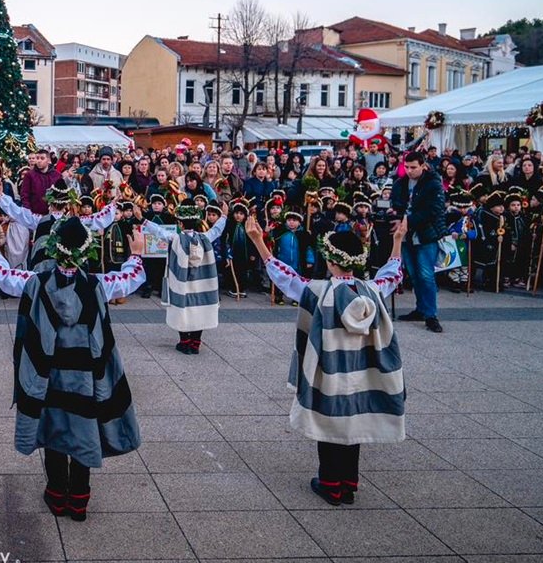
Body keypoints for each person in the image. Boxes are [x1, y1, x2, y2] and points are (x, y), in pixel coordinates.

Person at [0, 216, 147, 522]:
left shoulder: (36, 282)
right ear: (85, 253)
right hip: (84, 376)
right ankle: (80, 499)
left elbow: (4, 276)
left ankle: (57, 494)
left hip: (49, 375)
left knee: (54, 428)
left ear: (54, 250)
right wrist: (136, 253)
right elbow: (131, 278)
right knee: (83, 429)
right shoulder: (97, 284)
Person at [244, 214, 407, 506]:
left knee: (329, 424)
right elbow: (392, 274)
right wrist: (397, 242)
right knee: (353, 424)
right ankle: (348, 483)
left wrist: (259, 241)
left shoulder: (319, 291)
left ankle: (330, 483)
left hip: (330, 371)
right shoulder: (372, 291)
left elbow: (286, 278)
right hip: (363, 374)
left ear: (331, 261)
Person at [145, 204, 227, 354]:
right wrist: (224, 216)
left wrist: (143, 221)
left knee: (182, 309)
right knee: (200, 311)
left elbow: (159, 232)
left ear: (180, 223)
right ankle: (195, 343)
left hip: (183, 283)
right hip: (201, 284)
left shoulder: (176, 239)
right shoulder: (204, 238)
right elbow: (216, 230)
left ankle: (184, 342)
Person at [391, 151, 447, 333]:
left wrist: (408, 220)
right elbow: (397, 204)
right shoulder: (400, 183)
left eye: (413, 167)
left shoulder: (433, 183)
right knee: (414, 275)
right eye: (406, 167)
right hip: (406, 236)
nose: (409, 171)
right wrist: (396, 215)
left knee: (426, 275)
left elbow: (434, 210)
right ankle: (421, 308)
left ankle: (431, 315)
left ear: (423, 165)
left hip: (425, 234)